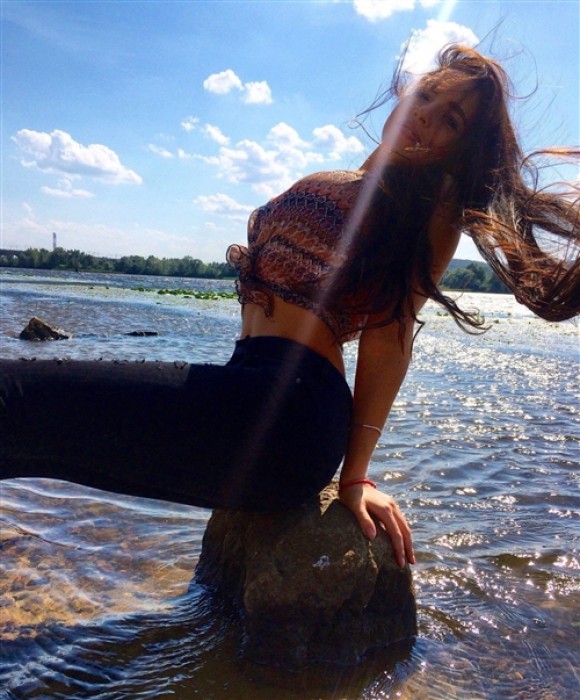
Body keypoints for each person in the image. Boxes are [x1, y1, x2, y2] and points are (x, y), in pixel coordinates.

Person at [1, 45, 578, 571]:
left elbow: (391, 336)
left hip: (290, 412)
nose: (426, 115)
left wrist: (355, 476)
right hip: (247, 385)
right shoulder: (355, 181)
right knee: (29, 437)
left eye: (450, 120)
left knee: (19, 397)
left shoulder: (431, 205)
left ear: (461, 150)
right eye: (425, 95)